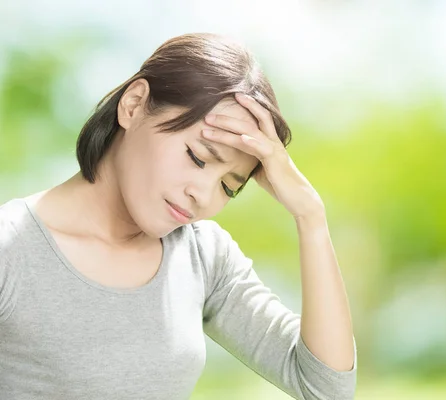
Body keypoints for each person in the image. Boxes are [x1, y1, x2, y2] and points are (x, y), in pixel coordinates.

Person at [0, 33, 357, 399]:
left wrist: (310, 216)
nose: (202, 195)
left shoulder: (203, 256)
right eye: (198, 157)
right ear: (134, 105)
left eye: (228, 187)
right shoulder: (11, 251)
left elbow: (326, 389)